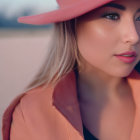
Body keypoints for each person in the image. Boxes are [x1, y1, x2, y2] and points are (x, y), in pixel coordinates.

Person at [2, 0, 140, 139]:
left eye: (139, 17)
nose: (134, 37)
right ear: (71, 24)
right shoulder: (32, 113)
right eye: (112, 16)